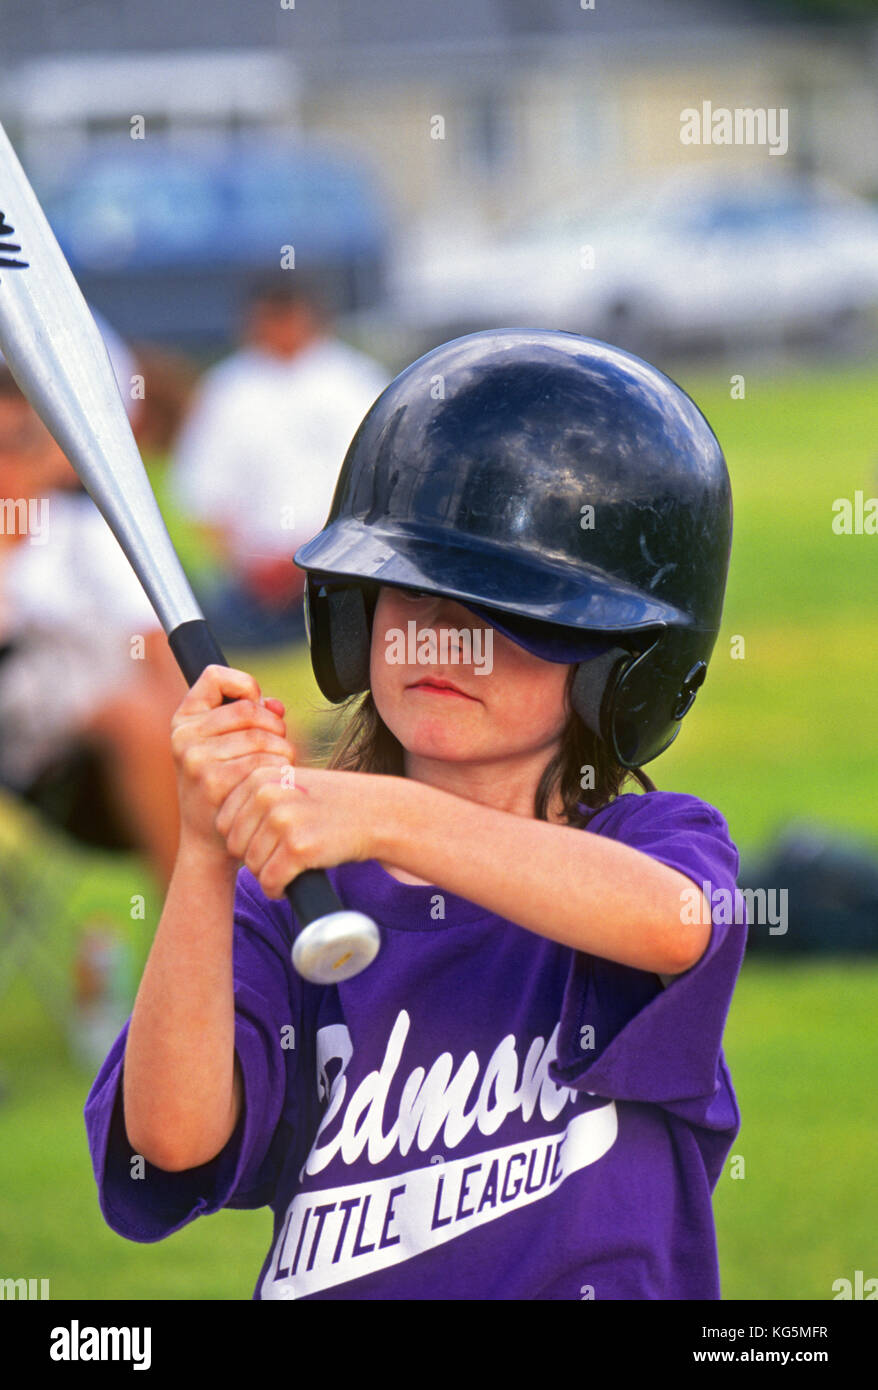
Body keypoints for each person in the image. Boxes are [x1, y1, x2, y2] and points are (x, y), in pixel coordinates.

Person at [84, 330, 745, 1300]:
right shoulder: (292, 904)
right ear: (354, 616)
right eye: (411, 592)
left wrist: (387, 816)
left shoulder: (648, 848)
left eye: (503, 609)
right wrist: (201, 857)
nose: (444, 639)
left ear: (623, 666)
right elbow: (171, 1138)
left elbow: (672, 922)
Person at [0, 327, 186, 888]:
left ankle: (302, 917)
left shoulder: (86, 530)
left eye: (25, 442)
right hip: (45, 756)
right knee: (133, 716)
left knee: (254, 721)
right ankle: (204, 922)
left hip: (141, 727)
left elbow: (156, 639)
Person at [170, 274, 390, 649]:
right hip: (252, 588)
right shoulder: (227, 390)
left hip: (345, 570)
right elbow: (202, 497)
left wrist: (310, 553)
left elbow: (381, 483)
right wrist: (254, 562)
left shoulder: (356, 382)